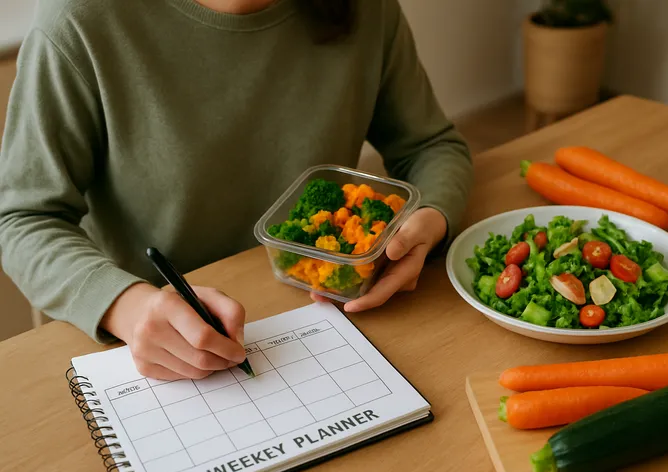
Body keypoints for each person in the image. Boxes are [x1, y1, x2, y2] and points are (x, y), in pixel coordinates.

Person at [0, 0, 473, 380]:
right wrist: (126, 305)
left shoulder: (368, 10)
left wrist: (430, 220)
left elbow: (430, 146)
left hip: (323, 313)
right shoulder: (78, 19)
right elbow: (21, 218)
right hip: (144, 344)